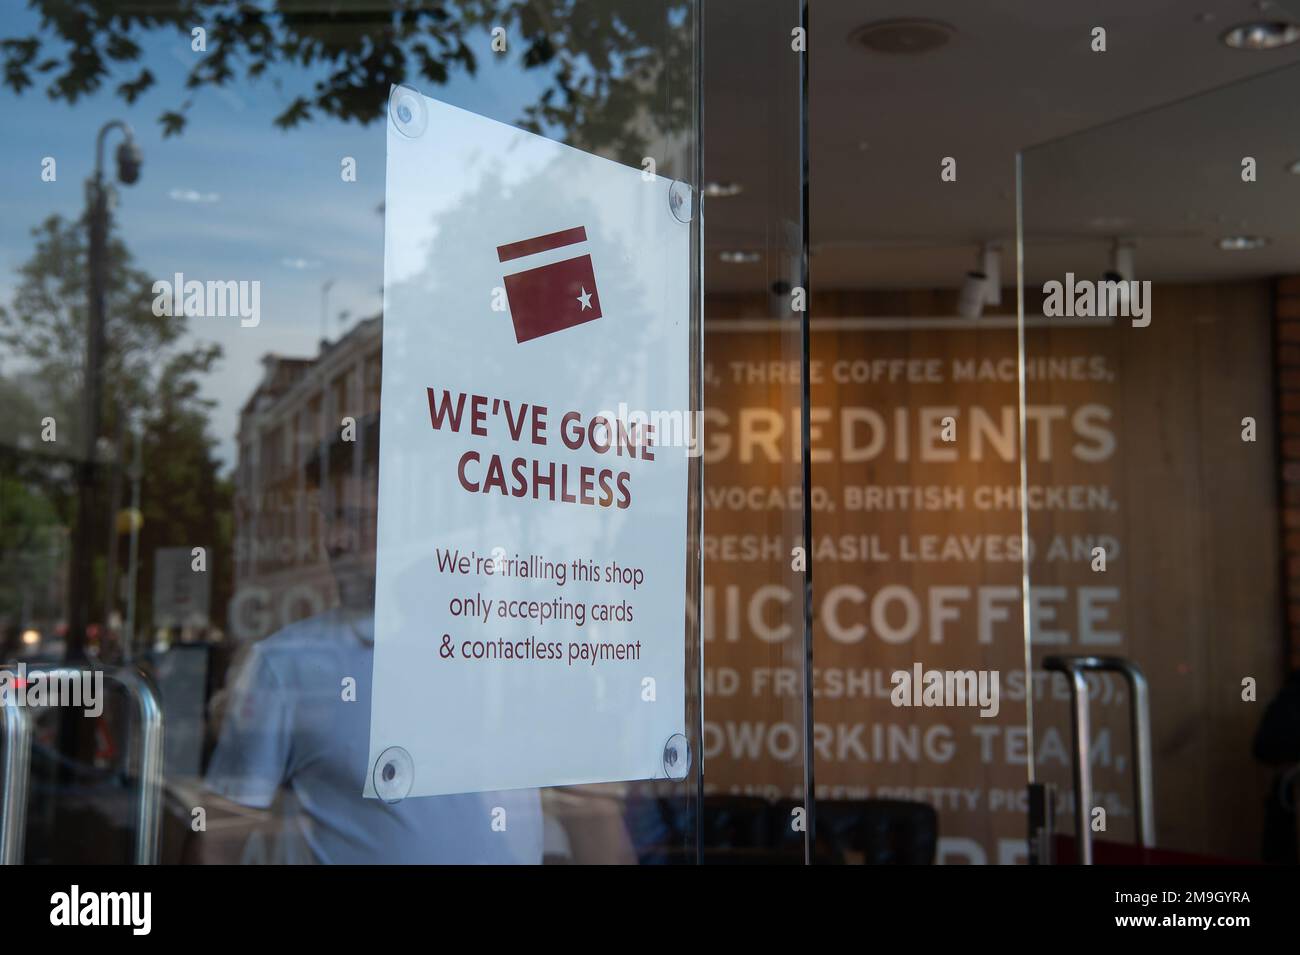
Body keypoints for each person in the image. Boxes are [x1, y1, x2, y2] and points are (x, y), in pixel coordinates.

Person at [203, 414, 543, 863]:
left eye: (357, 520)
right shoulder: (289, 663)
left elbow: (585, 812)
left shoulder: (511, 650)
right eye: (330, 519)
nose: (335, 540)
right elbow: (219, 837)